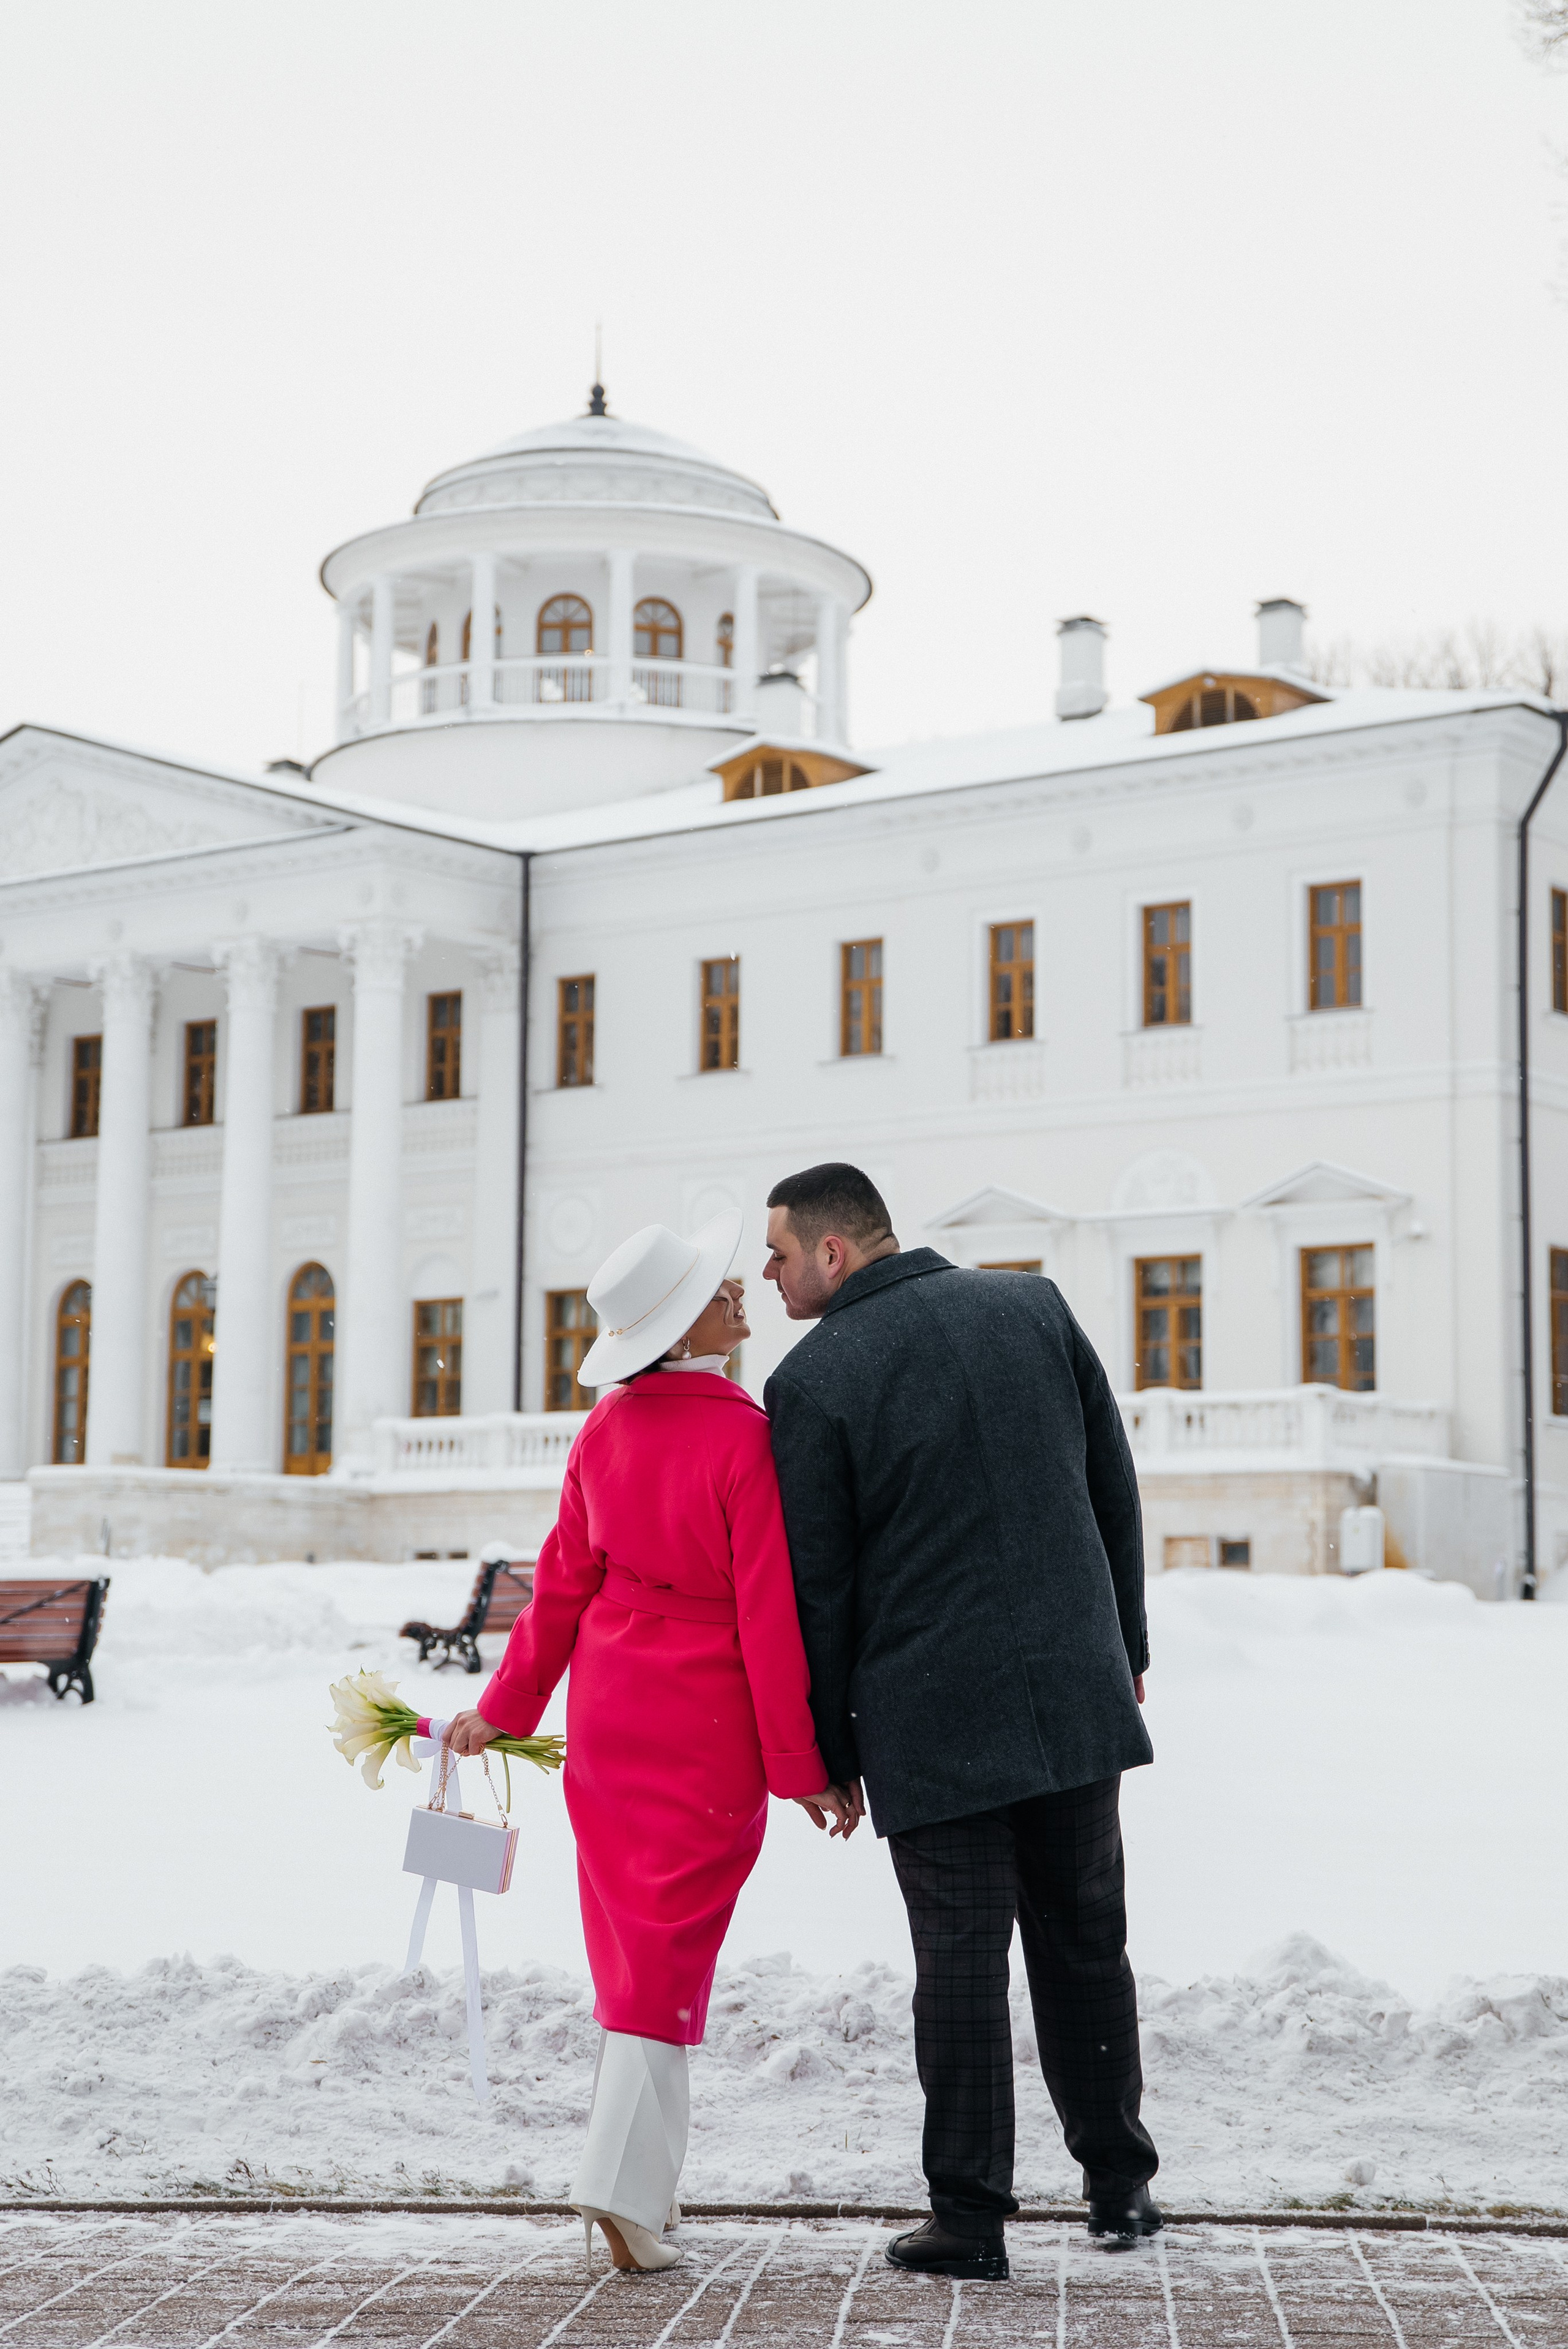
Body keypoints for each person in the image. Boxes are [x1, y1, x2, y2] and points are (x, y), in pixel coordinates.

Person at [762, 1163, 1159, 2278]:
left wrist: (829, 1750)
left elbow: (822, 1586)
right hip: (1073, 1692)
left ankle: (971, 2217)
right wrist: (1123, 1648)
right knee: (1089, 1945)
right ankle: (1121, 2188)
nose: (770, 1273)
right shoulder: (1031, 1307)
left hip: (932, 1721)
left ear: (834, 1254)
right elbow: (1111, 1486)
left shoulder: (813, 1379)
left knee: (961, 1966)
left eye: (780, 1253)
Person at [445, 1208, 856, 2274]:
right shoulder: (742, 1437)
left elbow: (560, 1588)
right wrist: (802, 1768)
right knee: (668, 1958)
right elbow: (770, 1619)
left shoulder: (603, 1432)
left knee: (639, 1951)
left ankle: (647, 2194)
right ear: (687, 1327)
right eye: (723, 1294)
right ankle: (621, 2193)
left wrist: (508, 1706)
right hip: (705, 1720)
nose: (740, 1299)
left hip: (614, 1711)